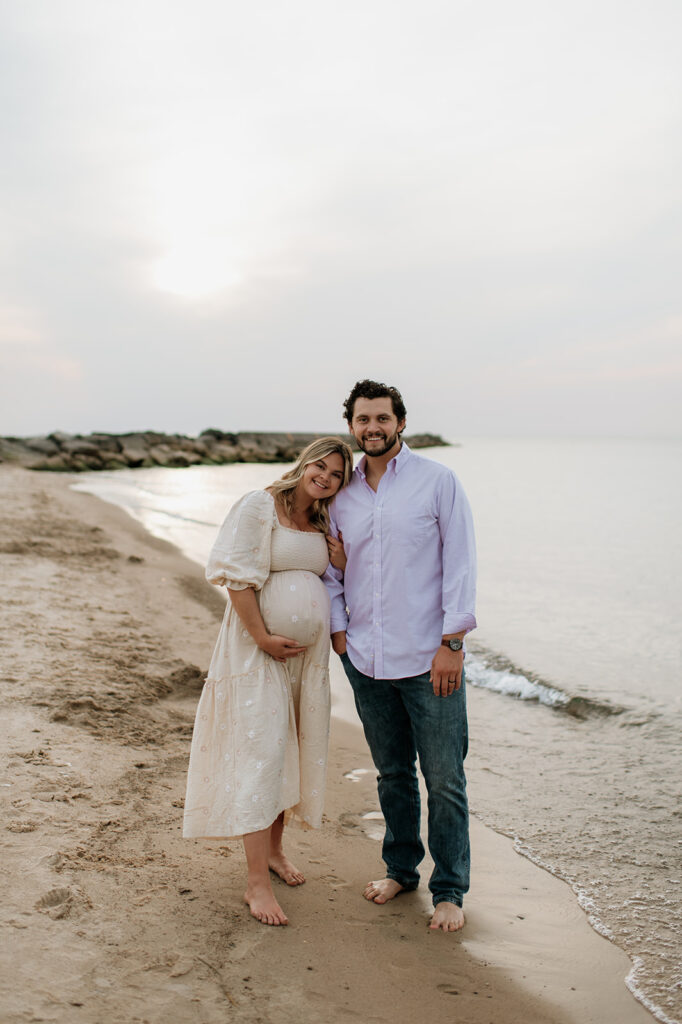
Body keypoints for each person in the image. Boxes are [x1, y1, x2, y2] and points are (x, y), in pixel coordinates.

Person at [324, 380, 477, 933]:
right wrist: (340, 632)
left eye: (382, 419)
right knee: (392, 775)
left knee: (444, 780)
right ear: (352, 426)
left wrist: (452, 643)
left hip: (429, 659)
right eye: (363, 420)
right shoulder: (341, 494)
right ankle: (401, 869)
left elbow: (460, 564)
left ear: (400, 423)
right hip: (365, 659)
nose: (373, 428)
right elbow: (333, 570)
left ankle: (450, 890)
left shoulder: (439, 482)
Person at [184, 437, 353, 926]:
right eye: (320, 466)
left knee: (287, 752)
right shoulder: (261, 504)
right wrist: (261, 636)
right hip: (257, 652)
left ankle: (276, 853)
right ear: (303, 465)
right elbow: (236, 577)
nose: (325, 476)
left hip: (305, 662)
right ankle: (255, 882)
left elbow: (328, 582)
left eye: (337, 473)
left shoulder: (320, 522)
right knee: (262, 756)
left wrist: (339, 560)